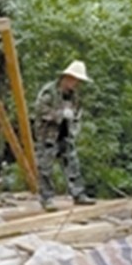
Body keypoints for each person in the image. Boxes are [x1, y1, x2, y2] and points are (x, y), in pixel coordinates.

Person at [33, 60, 96, 211]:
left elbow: (77, 114)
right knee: (45, 167)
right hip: (47, 135)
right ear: (67, 77)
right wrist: (60, 114)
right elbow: (40, 111)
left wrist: (74, 127)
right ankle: (47, 199)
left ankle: (78, 194)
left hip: (65, 134)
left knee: (73, 163)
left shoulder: (74, 95)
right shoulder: (49, 92)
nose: (76, 84)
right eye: (75, 80)